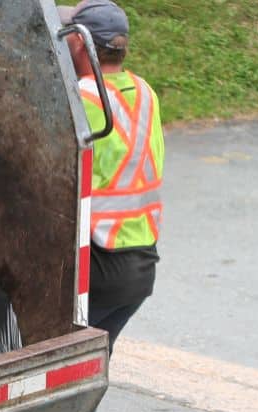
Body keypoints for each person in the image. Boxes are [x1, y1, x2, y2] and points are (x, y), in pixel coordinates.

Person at [60, 0, 163, 356]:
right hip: (141, 266)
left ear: (78, 42)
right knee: (90, 365)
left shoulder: (83, 97)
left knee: (57, 364)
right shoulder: (145, 92)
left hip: (99, 262)